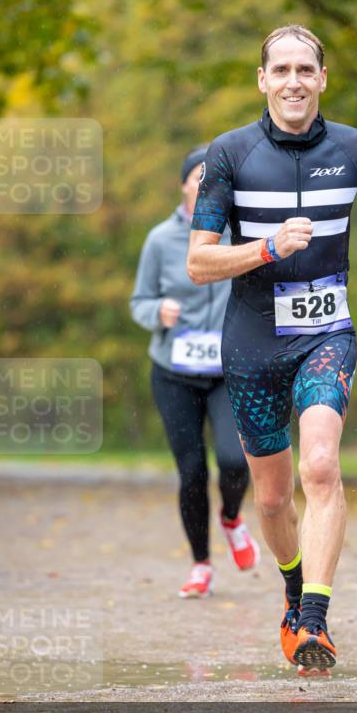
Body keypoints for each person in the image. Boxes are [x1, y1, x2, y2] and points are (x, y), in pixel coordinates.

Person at [187, 25, 357, 671]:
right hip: (252, 341)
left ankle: (314, 619)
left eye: (304, 69)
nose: (293, 81)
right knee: (274, 498)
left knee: (321, 466)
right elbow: (199, 263)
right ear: (262, 80)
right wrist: (267, 247)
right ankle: (291, 592)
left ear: (322, 78)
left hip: (326, 334)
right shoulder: (230, 154)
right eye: (280, 70)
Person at [130, 145, 259, 599]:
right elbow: (139, 301)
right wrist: (157, 312)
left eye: (215, 180)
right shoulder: (160, 240)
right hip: (174, 373)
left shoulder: (239, 233)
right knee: (191, 473)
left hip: (228, 370)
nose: (206, 187)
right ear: (184, 184)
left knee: (234, 460)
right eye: (198, 178)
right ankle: (201, 564)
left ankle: (232, 518)